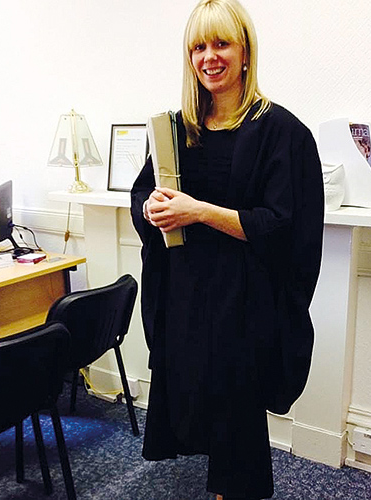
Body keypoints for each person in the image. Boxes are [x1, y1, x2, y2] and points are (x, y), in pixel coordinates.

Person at [130, 0, 324, 498]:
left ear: (245, 53)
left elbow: (283, 227)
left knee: (237, 416)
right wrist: (154, 210)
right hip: (186, 298)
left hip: (243, 303)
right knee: (197, 398)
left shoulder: (282, 133)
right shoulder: (176, 130)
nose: (209, 57)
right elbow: (143, 196)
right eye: (198, 47)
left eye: (221, 44)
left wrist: (198, 211)